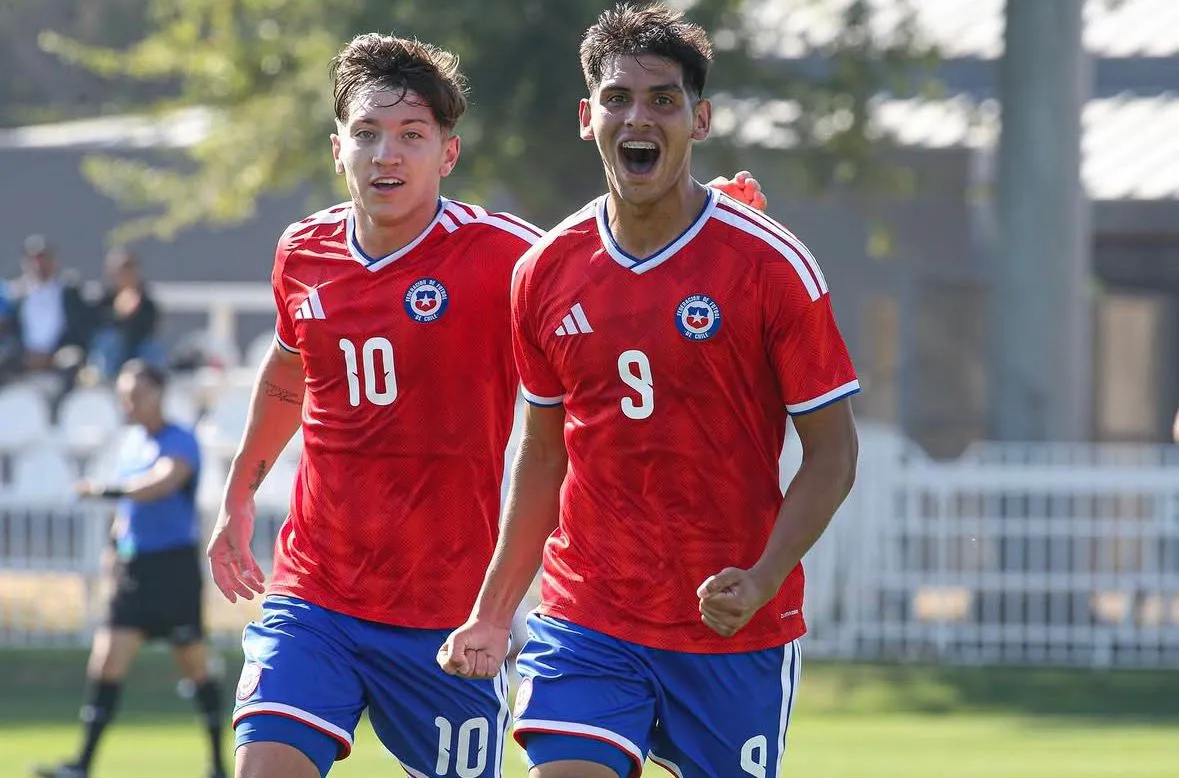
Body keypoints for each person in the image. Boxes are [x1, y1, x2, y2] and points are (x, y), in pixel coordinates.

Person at [204, 31, 766, 778]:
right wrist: (239, 494)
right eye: (366, 135)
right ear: (337, 149)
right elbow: (289, 368)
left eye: (410, 136)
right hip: (316, 596)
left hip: (449, 615)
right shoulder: (302, 253)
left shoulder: (504, 256)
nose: (386, 156)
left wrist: (700, 223)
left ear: (448, 154)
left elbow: (601, 270)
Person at [438, 5, 860, 778]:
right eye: (617, 98)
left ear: (699, 120)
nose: (638, 116)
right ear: (585, 117)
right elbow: (539, 460)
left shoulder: (771, 267)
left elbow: (833, 455)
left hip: (733, 630)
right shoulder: (544, 271)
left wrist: (763, 576)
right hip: (588, 615)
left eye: (663, 100)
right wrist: (494, 613)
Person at [33, 360, 225, 778]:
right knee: (105, 662)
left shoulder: (180, 440)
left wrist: (103, 490)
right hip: (134, 569)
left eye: (136, 393)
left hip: (172, 569)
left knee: (195, 666)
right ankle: (82, 764)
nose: (129, 403)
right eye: (124, 394)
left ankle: (218, 764)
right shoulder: (131, 443)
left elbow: (161, 484)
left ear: (159, 393)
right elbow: (127, 511)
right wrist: (114, 546)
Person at [89, 247, 164, 381]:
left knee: (152, 348)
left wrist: (132, 313)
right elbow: (95, 324)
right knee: (109, 340)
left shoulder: (146, 301)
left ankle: (151, 382)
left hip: (137, 348)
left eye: (130, 268)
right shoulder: (103, 298)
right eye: (122, 269)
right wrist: (118, 314)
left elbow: (149, 327)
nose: (126, 274)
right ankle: (104, 380)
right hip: (113, 353)